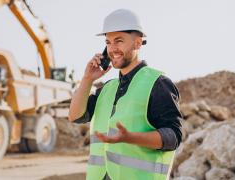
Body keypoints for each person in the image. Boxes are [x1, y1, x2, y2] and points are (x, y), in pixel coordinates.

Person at [68, 9, 182, 180]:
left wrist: (131, 138)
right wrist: (87, 79)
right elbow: (75, 116)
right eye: (108, 42)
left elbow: (173, 137)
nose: (113, 48)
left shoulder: (158, 84)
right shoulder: (107, 89)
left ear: (138, 43)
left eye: (119, 41)